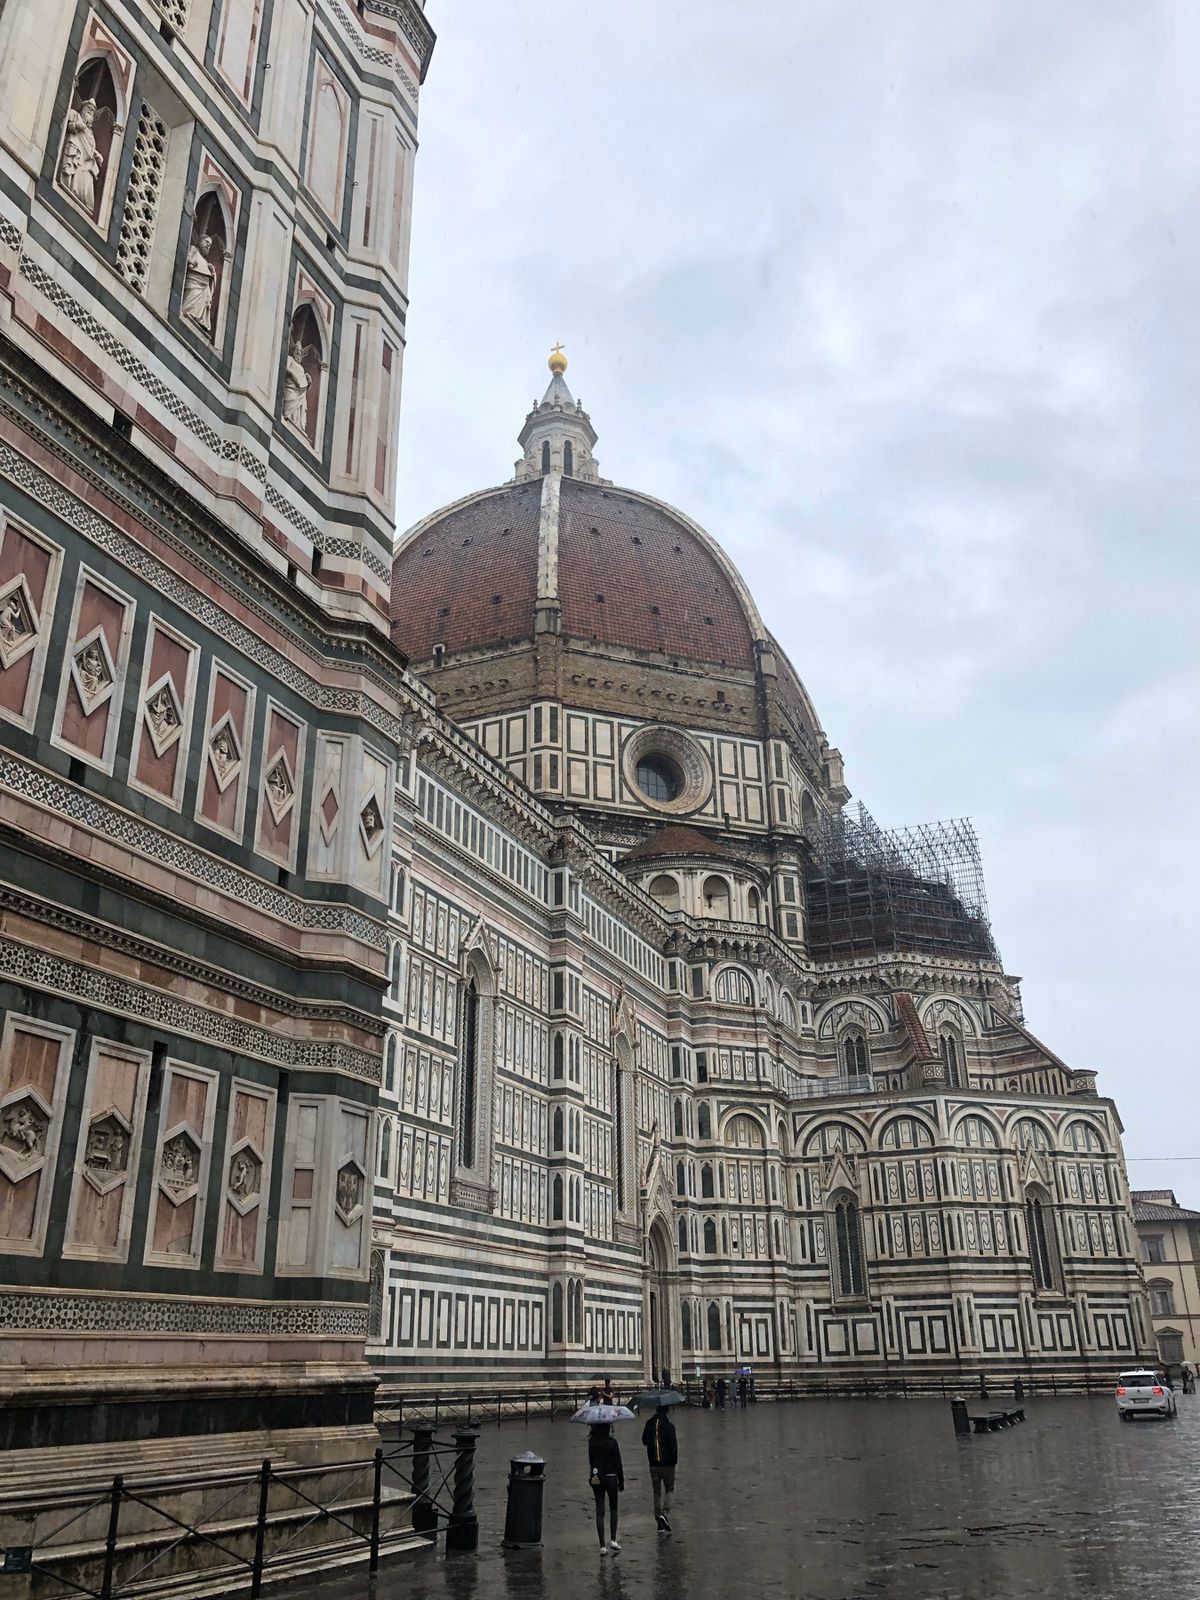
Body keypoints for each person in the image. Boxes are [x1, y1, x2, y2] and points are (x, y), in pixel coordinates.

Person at [641, 1404, 678, 1533]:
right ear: (667, 1410)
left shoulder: (649, 1423)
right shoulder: (669, 1425)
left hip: (653, 1464)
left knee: (656, 1492)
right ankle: (665, 1513)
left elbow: (644, 1440)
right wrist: (674, 1461)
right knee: (669, 1489)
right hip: (667, 1464)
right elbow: (673, 1445)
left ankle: (659, 1520)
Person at [588, 1422, 623, 1554]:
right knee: (614, 1508)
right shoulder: (613, 1442)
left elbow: (591, 1461)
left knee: (600, 1511)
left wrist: (591, 1476)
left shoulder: (592, 1442)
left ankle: (602, 1545)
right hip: (612, 1478)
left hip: (597, 1478)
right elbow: (618, 1463)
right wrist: (622, 1481)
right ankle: (613, 1539)